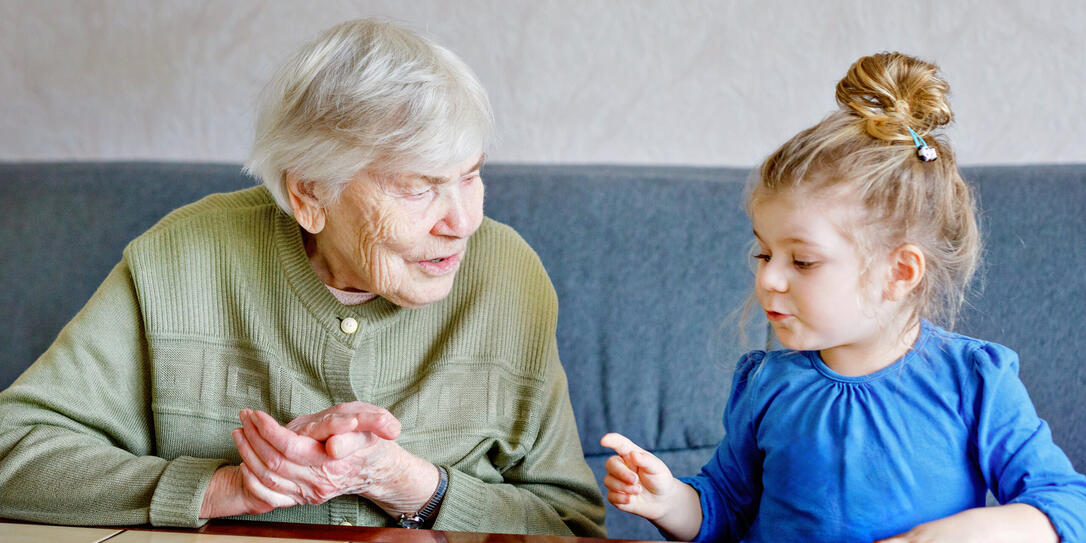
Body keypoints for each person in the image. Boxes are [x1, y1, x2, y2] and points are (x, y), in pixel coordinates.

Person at [0, 18, 605, 536]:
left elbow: (572, 525)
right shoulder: (182, 261)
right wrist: (220, 488)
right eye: (419, 188)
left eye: (471, 175)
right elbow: (13, 450)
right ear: (311, 193)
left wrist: (411, 486)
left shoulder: (508, 279)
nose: (464, 221)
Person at [600, 52, 1086, 542]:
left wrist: (952, 535)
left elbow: (1068, 505)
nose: (769, 279)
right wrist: (669, 502)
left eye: (803, 261)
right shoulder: (767, 385)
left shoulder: (974, 382)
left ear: (899, 272)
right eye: (764, 255)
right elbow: (724, 508)